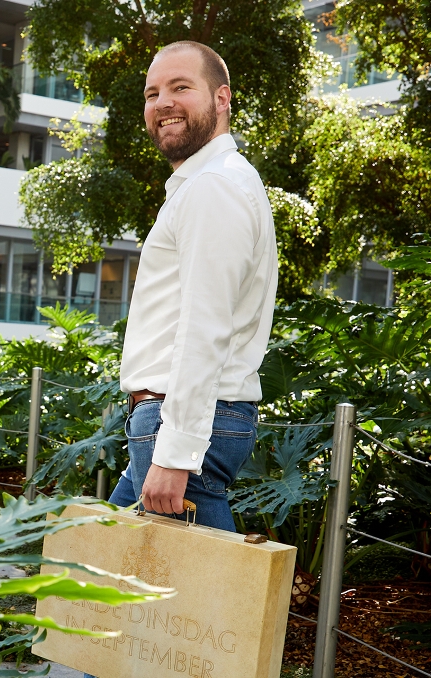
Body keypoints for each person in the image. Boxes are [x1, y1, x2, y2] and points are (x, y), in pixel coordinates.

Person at [109, 40, 278, 532]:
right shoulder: (207, 183)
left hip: (180, 426)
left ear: (222, 99)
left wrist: (175, 453)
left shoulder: (213, 187)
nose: (163, 103)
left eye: (181, 87)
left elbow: (205, 328)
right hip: (170, 422)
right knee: (92, 579)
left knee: (203, 605)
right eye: (152, 92)